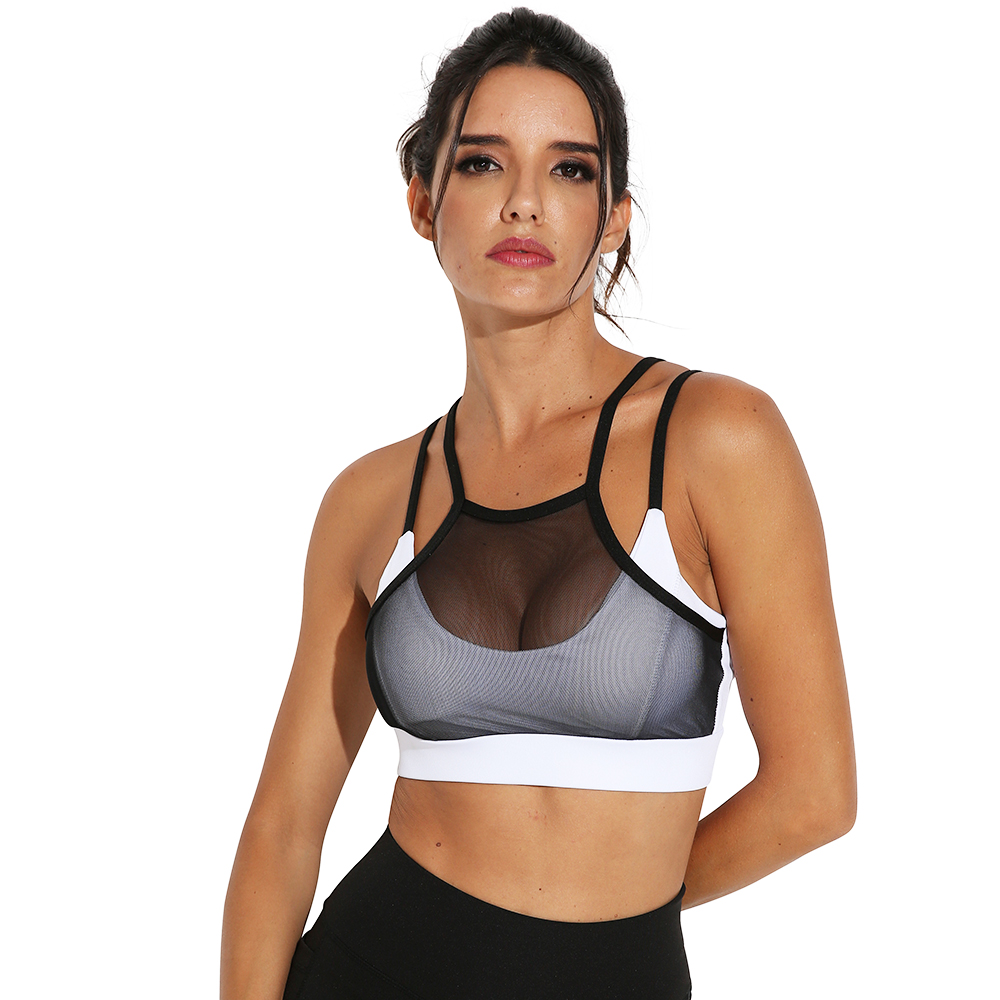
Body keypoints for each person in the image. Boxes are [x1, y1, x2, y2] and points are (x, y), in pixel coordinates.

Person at [221, 9, 856, 999]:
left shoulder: (714, 438)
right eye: (482, 164)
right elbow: (282, 830)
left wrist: (598, 926)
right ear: (423, 201)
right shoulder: (372, 500)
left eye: (568, 169)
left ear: (614, 214)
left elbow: (814, 795)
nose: (524, 203)